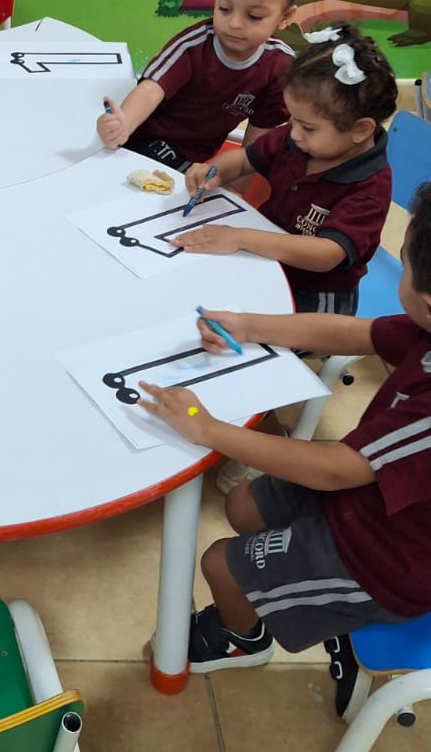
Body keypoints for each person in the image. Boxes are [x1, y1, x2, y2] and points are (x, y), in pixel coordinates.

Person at [138, 180, 431, 717]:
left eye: (405, 264)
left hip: (394, 561)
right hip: (373, 503)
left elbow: (339, 469)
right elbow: (354, 334)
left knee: (221, 564)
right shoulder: (424, 328)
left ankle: (243, 639)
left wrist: (207, 428)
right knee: (242, 503)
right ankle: (284, 591)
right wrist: (250, 326)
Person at [173, 25, 397, 315]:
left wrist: (240, 238)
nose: (294, 133)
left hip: (313, 295)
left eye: (308, 127)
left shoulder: (370, 186)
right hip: (265, 260)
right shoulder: (297, 140)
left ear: (360, 129)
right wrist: (213, 171)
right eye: (293, 120)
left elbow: (326, 254)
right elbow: (243, 161)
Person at [97, 0, 301, 169]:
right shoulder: (193, 46)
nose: (234, 23)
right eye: (224, 8)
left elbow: (257, 142)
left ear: (285, 17)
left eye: (254, 16)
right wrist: (124, 123)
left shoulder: (280, 66)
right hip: (145, 140)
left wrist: (235, 183)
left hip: (195, 160)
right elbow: (151, 90)